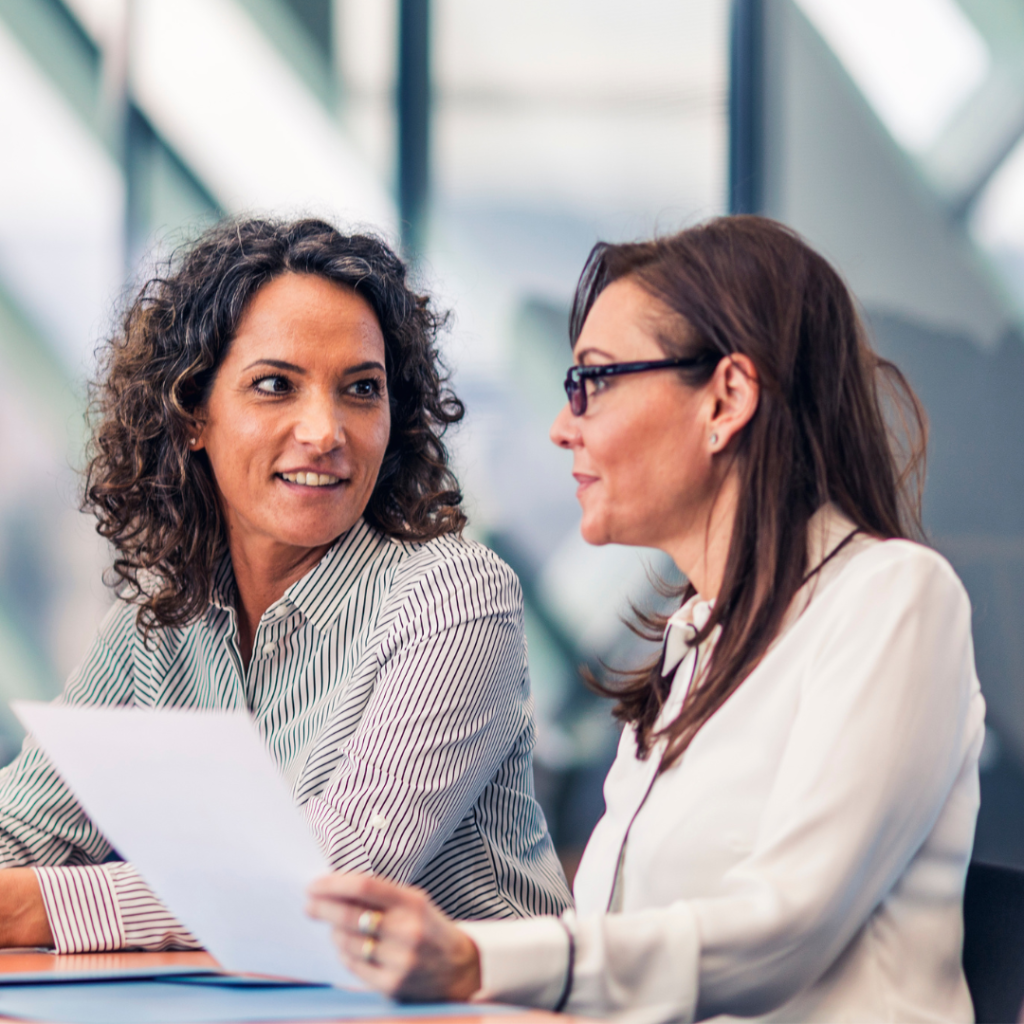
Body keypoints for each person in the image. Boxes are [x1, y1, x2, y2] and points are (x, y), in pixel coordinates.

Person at [307, 215, 985, 1023]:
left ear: (726, 399)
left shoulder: (894, 597)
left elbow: (784, 930)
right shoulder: (694, 642)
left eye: (594, 380)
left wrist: (476, 958)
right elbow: (618, 943)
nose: (565, 426)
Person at [0, 218, 571, 953]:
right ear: (193, 413)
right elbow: (26, 826)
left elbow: (337, 880)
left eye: (361, 390)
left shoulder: (456, 599)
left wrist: (31, 909)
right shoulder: (157, 624)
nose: (326, 430)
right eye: (276, 386)